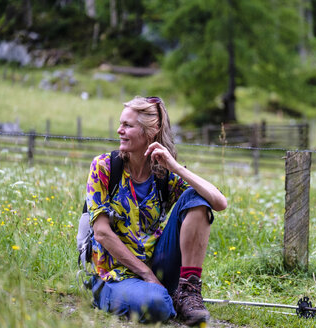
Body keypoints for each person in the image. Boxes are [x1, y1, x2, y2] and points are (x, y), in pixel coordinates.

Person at [85, 96, 228, 325]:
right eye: (121, 124)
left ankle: (189, 291)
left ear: (150, 133)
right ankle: (166, 299)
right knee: (158, 305)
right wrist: (147, 275)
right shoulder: (104, 167)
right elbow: (102, 233)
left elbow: (219, 202)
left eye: (128, 126)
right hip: (115, 275)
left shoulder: (163, 175)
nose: (119, 130)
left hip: (158, 267)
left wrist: (175, 167)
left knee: (196, 198)